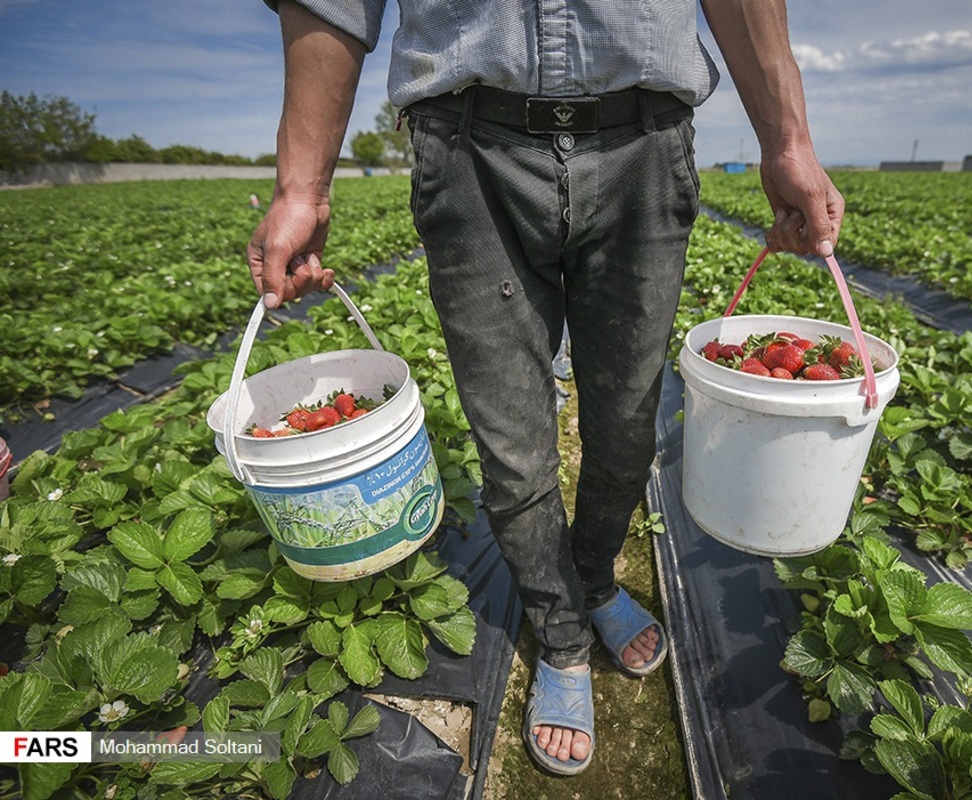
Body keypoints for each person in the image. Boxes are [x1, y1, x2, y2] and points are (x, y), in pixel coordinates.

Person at [247, 0, 843, 776]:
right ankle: (560, 634)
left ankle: (594, 580)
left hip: (645, 143)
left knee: (628, 424)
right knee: (513, 444)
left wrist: (787, 138)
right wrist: (303, 186)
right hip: (468, 152)